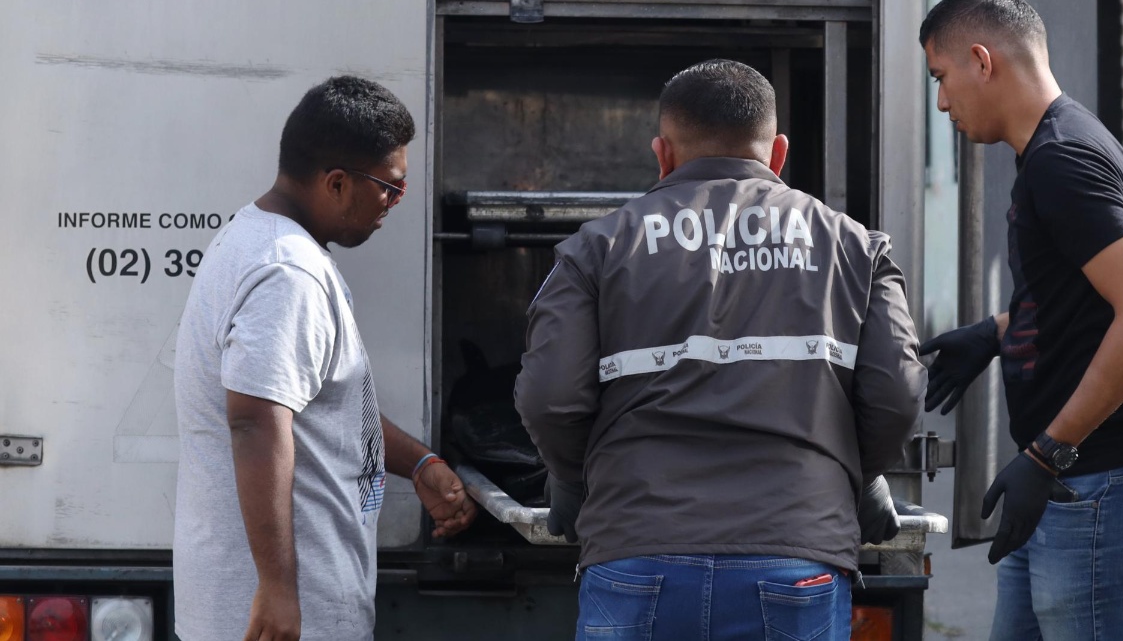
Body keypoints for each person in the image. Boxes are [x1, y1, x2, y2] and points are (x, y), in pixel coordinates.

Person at [515, 59, 925, 640]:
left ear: (664, 153)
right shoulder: (856, 247)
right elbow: (897, 393)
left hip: (637, 551)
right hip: (797, 555)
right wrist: (860, 479)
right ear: (778, 153)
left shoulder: (597, 248)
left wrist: (574, 484)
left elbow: (550, 396)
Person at [920, 0, 1123, 641]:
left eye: (941, 76)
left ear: (982, 61)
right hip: (1079, 483)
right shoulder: (1049, 149)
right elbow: (1083, 299)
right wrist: (994, 333)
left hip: (1105, 482)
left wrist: (1047, 453)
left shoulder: (1062, 159)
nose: (940, 101)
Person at [172, 76, 477, 641]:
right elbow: (255, 423)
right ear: (336, 183)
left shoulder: (256, 240)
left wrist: (418, 463)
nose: (393, 202)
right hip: (285, 619)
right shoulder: (287, 272)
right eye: (390, 187)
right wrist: (279, 590)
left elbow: (320, 411)